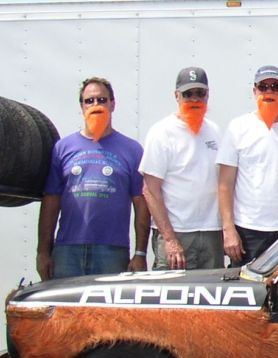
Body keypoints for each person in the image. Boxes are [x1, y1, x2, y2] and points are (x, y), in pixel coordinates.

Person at [37, 77, 149, 280]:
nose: (96, 105)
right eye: (89, 101)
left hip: (112, 252)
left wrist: (140, 253)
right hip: (67, 250)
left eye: (102, 100)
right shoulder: (63, 148)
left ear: (112, 104)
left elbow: (141, 204)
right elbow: (51, 201)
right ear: (82, 106)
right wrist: (43, 251)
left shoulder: (132, 150)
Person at [216, 65, 278, 266]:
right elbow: (225, 184)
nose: (269, 92)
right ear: (255, 91)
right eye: (263, 87)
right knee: (246, 284)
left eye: (275, 86)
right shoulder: (238, 127)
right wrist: (228, 229)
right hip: (248, 230)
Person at [140, 66, 223, 270]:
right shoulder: (161, 132)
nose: (194, 99)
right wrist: (169, 239)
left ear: (208, 95)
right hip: (177, 233)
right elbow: (150, 190)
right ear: (176, 96)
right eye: (188, 94)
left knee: (212, 289)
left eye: (200, 93)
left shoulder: (215, 131)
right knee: (171, 290)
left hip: (211, 232)